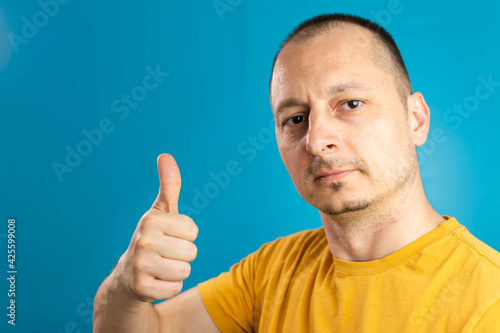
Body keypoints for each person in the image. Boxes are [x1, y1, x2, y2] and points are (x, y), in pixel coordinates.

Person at [93, 13, 500, 332]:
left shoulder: (488, 300)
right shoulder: (273, 271)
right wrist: (124, 289)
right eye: (295, 118)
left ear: (416, 120)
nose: (316, 138)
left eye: (351, 103)